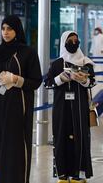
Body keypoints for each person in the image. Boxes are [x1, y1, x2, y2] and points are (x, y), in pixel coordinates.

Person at [0, 15, 42, 183]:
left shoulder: (27, 53)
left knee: (15, 151)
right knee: (0, 150)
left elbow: (36, 81)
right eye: (3, 29)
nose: (5, 32)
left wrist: (16, 80)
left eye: (10, 29)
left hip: (17, 110)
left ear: (17, 30)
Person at [44, 31, 95, 183]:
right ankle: (62, 174)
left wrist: (82, 80)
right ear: (64, 43)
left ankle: (77, 173)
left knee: (80, 137)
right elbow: (47, 83)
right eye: (70, 40)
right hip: (61, 108)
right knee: (61, 137)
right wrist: (61, 78)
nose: (73, 43)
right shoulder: (58, 63)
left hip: (80, 108)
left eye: (76, 40)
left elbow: (92, 82)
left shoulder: (85, 62)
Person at [89, 27, 103, 97]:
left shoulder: (98, 37)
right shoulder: (96, 37)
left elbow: (92, 49)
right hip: (98, 55)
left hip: (97, 55)